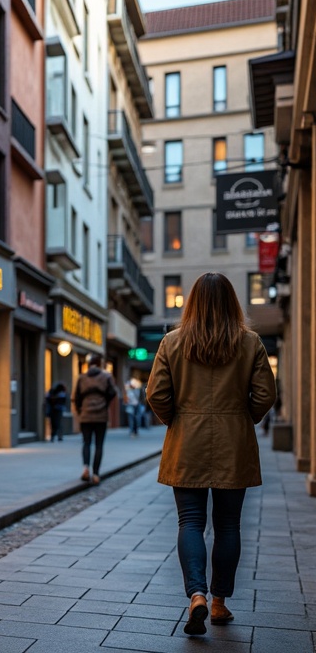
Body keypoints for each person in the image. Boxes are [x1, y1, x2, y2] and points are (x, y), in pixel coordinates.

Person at [146, 272, 275, 636]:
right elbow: (265, 395)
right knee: (228, 525)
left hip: (187, 442)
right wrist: (241, 418)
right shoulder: (249, 343)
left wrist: (177, 420)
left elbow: (156, 394)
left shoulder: (172, 342)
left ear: (192, 303)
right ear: (233, 303)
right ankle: (219, 603)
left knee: (190, 522)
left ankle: (197, 595)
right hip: (235, 444)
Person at [73, 353, 117, 485]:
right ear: (100, 364)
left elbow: (76, 397)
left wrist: (80, 411)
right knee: (99, 444)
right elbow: (113, 392)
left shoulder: (82, 378)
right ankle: (96, 474)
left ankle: (86, 468)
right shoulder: (106, 376)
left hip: (85, 415)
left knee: (86, 443)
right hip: (101, 415)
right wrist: (105, 402)